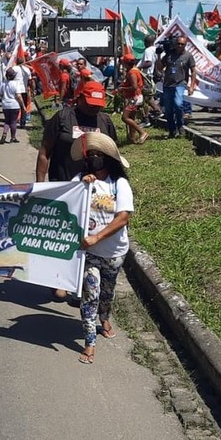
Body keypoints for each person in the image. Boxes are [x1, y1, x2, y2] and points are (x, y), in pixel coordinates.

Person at [71, 132, 132, 365]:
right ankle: (89, 343)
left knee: (107, 291)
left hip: (115, 253)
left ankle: (105, 318)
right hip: (91, 254)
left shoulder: (119, 184)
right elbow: (67, 205)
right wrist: (81, 187)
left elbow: (123, 218)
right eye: (91, 155)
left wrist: (97, 237)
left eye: (99, 155)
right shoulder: (80, 180)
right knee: (90, 295)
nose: (95, 158)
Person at [158, 36, 196, 139]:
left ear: (185, 45)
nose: (179, 46)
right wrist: (159, 55)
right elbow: (160, 67)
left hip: (180, 84)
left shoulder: (188, 56)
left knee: (178, 105)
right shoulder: (169, 55)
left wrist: (191, 86)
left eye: (182, 44)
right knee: (169, 110)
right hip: (167, 85)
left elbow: (193, 71)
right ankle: (172, 130)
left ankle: (180, 125)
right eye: (178, 43)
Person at [118, 56, 149, 144]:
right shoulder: (135, 70)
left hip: (134, 98)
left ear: (125, 63)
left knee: (125, 117)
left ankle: (142, 132)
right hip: (136, 97)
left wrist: (122, 88)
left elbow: (134, 87)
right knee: (131, 117)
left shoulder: (132, 72)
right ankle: (131, 137)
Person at [0, 67, 24, 144]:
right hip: (14, 105)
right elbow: (19, 96)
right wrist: (23, 106)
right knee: (13, 122)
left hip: (5, 104)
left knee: (7, 121)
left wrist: (4, 97)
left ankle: (4, 133)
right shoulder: (16, 84)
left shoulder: (3, 83)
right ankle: (13, 137)